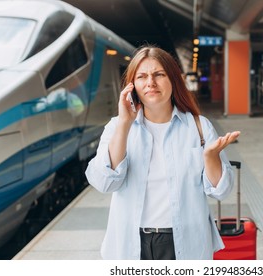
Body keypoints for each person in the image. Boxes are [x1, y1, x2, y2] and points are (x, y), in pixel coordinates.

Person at [85, 45, 240, 260]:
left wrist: (210, 157)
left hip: (186, 242)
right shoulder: (116, 127)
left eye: (159, 74)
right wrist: (124, 124)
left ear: (174, 80)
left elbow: (221, 191)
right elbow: (104, 182)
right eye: (142, 76)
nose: (150, 82)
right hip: (130, 242)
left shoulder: (199, 127)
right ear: (132, 86)